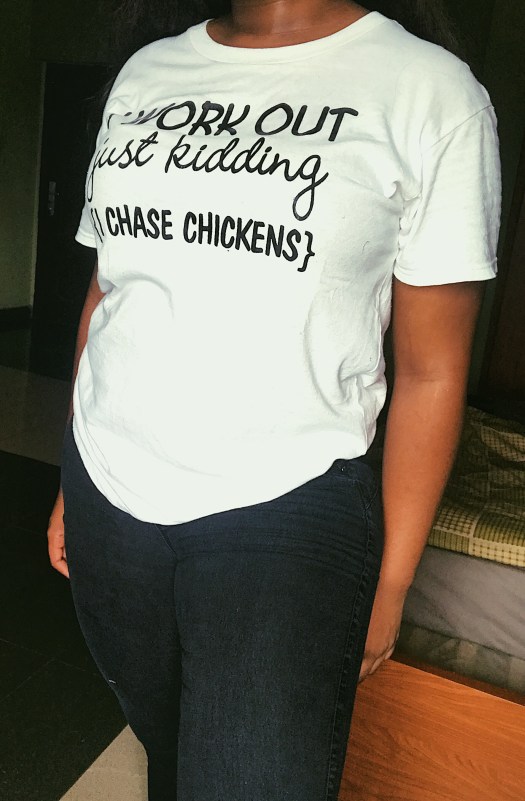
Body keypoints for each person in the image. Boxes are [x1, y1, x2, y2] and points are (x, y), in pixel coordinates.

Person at [47, 0, 501, 799]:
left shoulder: (429, 90)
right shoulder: (148, 72)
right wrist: (69, 479)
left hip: (285, 509)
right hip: (108, 493)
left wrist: (390, 581)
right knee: (170, 750)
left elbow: (432, 371)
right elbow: (109, 288)